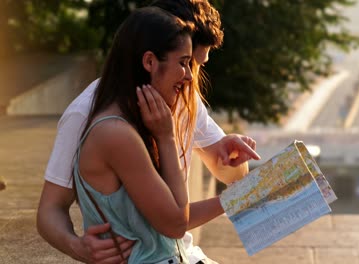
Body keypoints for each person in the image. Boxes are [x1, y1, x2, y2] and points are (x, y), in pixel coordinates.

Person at [36, 1, 260, 264]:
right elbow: (50, 209)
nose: (191, 79)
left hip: (179, 253)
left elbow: (231, 176)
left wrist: (230, 158)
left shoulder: (183, 99)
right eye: (186, 62)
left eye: (194, 65)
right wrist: (76, 246)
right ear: (150, 59)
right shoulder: (90, 116)